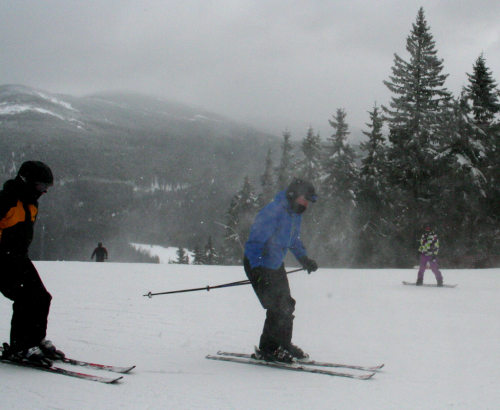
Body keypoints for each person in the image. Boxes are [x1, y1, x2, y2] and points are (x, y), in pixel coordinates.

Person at [244, 178, 318, 364]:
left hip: (275, 264)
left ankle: (283, 344)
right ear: (293, 195)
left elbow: (293, 240)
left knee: (286, 304)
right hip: (258, 264)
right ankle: (268, 350)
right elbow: (254, 242)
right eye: (305, 199)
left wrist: (304, 259)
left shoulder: (294, 214)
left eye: (309, 201)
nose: (306, 204)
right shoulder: (273, 211)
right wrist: (257, 268)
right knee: (276, 307)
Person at [0, 161, 64, 365]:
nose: (44, 191)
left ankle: (34, 340)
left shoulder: (30, 202)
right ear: (25, 181)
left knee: (42, 297)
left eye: (47, 187)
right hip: (2, 260)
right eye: (41, 186)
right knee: (26, 298)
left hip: (19, 258)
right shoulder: (6, 200)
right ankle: (21, 347)